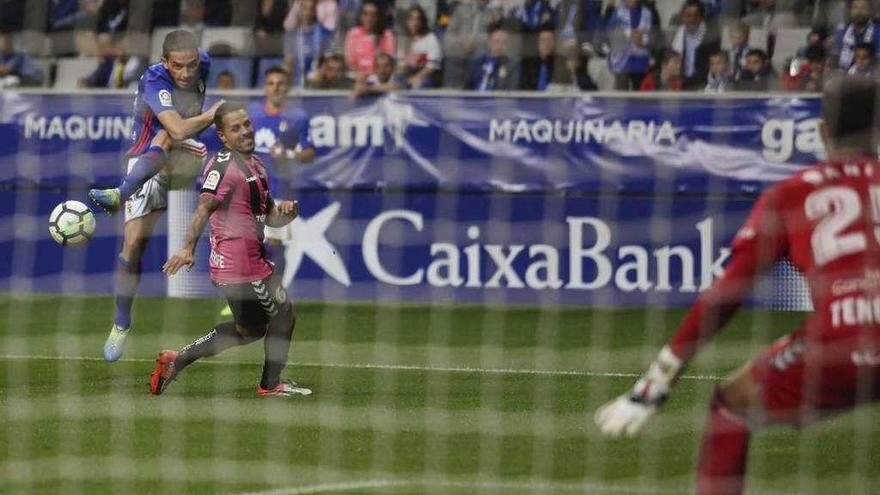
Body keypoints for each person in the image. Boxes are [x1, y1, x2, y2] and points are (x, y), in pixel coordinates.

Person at [595, 76, 880, 495]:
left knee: (731, 406)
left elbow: (726, 295)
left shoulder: (791, 194)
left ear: (821, 132)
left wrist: (656, 382)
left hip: (843, 342)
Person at [153, 103, 313, 398]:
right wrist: (187, 248)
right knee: (284, 317)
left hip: (244, 264)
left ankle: (178, 359)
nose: (246, 132)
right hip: (242, 266)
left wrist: (285, 214)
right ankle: (270, 385)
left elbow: (269, 215)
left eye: (247, 124)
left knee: (248, 330)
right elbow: (204, 206)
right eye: (236, 128)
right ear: (223, 137)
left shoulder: (257, 164)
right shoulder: (222, 166)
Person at [88, 30, 225, 362]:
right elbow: (177, 129)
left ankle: (119, 194)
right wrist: (213, 114)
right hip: (149, 158)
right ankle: (121, 322)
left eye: (191, 65)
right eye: (178, 66)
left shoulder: (203, 62)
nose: (186, 73)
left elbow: (181, 132)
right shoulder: (154, 80)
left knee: (229, 186)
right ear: (165, 62)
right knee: (134, 245)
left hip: (184, 154)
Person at [670, 0, 720, 90]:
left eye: (695, 15)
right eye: (688, 16)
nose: (692, 19)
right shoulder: (678, 35)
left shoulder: (709, 38)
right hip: (681, 84)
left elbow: (709, 68)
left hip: (702, 85)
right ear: (683, 17)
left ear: (701, 18)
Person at [343, 1, 395, 78]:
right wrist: (362, 75)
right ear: (361, 16)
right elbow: (350, 62)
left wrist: (372, 74)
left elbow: (389, 61)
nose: (369, 18)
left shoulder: (387, 35)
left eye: (373, 15)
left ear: (378, 17)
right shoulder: (353, 34)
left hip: (380, 77)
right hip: (357, 76)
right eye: (365, 14)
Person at [396, 5, 442, 89]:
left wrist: (416, 78)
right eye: (411, 19)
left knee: (417, 85)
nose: (415, 22)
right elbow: (401, 65)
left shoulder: (431, 38)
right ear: (407, 21)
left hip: (426, 77)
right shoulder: (404, 40)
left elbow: (432, 66)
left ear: (422, 22)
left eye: (418, 19)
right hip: (408, 76)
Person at [831, 0, 880, 72]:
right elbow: (835, 58)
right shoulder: (842, 32)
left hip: (869, 77)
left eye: (863, 8)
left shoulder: (878, 32)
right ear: (850, 11)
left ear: (870, 12)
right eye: (855, 7)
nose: (859, 11)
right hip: (843, 75)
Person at [519, 24, 556, 91]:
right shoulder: (527, 63)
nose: (546, 44)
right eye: (543, 40)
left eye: (550, 40)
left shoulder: (559, 64)